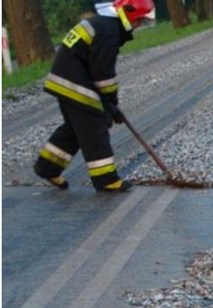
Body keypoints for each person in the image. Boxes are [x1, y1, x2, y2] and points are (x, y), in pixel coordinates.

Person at [34, 0, 155, 192]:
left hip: (63, 79)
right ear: (128, 14)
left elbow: (95, 68)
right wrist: (111, 104)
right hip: (74, 83)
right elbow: (103, 73)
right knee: (95, 127)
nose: (138, 25)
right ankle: (106, 180)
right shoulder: (109, 33)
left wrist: (109, 104)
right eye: (139, 20)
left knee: (74, 128)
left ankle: (47, 168)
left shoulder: (105, 24)